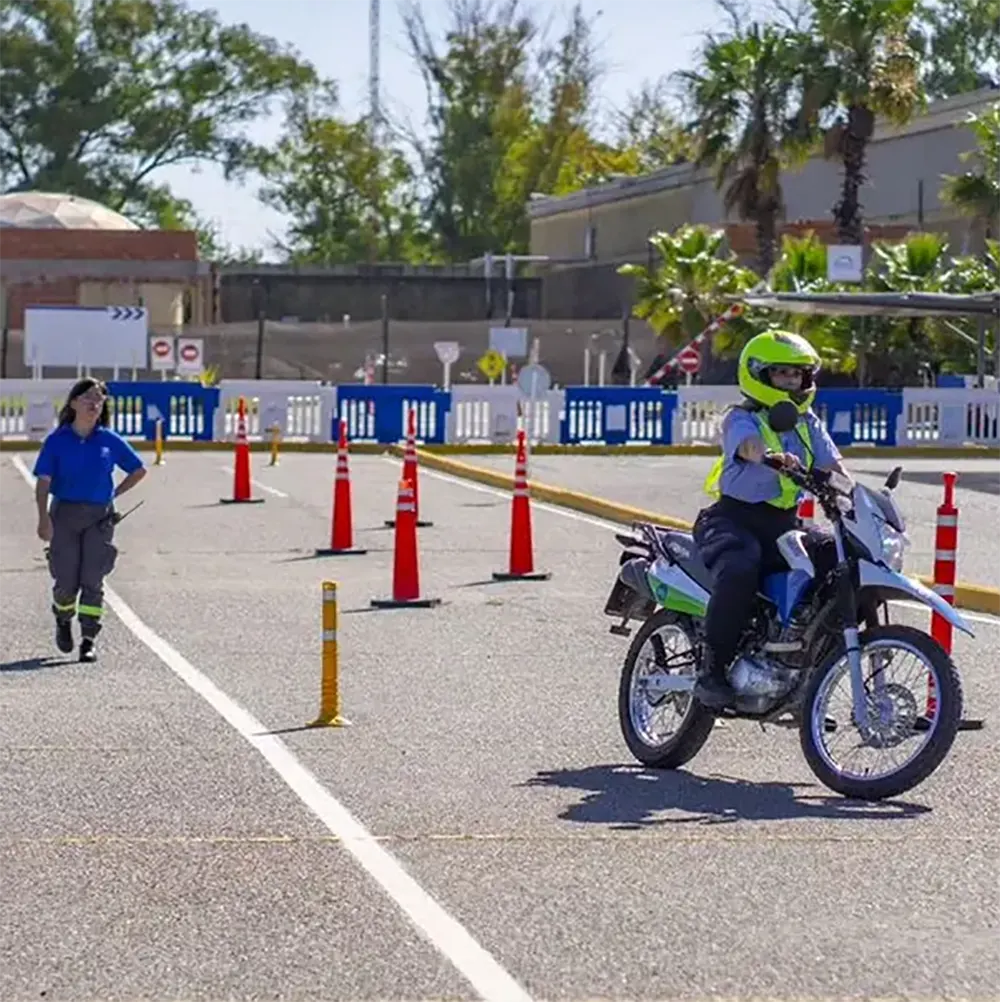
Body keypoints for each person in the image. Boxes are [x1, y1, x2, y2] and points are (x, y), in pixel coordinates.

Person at [692, 329, 852, 710]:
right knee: (739, 568)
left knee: (838, 561)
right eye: (781, 374)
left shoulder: (807, 421)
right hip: (732, 521)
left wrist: (853, 494)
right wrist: (772, 457)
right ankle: (712, 669)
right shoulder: (741, 417)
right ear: (760, 376)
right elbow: (748, 447)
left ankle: (810, 681)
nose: (791, 381)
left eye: (797, 374)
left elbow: (835, 466)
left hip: (783, 526)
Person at [32, 377, 147, 662]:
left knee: (93, 579)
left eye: (99, 398)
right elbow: (43, 483)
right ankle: (62, 617)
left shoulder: (109, 440)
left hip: (99, 518)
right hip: (65, 515)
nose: (94, 403)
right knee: (66, 580)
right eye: (88, 397)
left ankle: (88, 638)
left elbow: (138, 470)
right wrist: (43, 518)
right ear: (73, 403)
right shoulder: (57, 441)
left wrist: (113, 495)